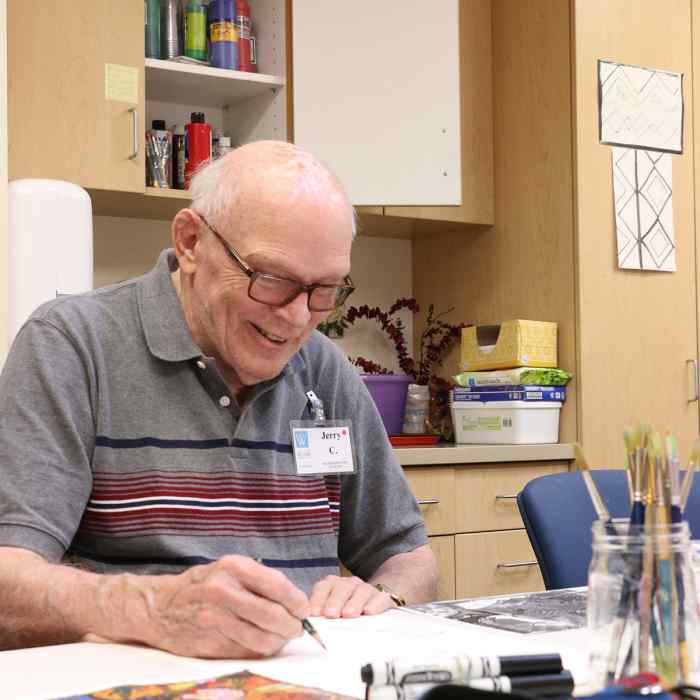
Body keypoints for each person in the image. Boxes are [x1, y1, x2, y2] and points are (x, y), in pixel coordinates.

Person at [0, 141, 438, 659]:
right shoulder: (72, 345)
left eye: (324, 290)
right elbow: (9, 587)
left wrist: (382, 596)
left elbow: (411, 556)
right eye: (271, 280)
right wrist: (155, 609)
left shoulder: (321, 365)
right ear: (190, 242)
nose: (297, 319)